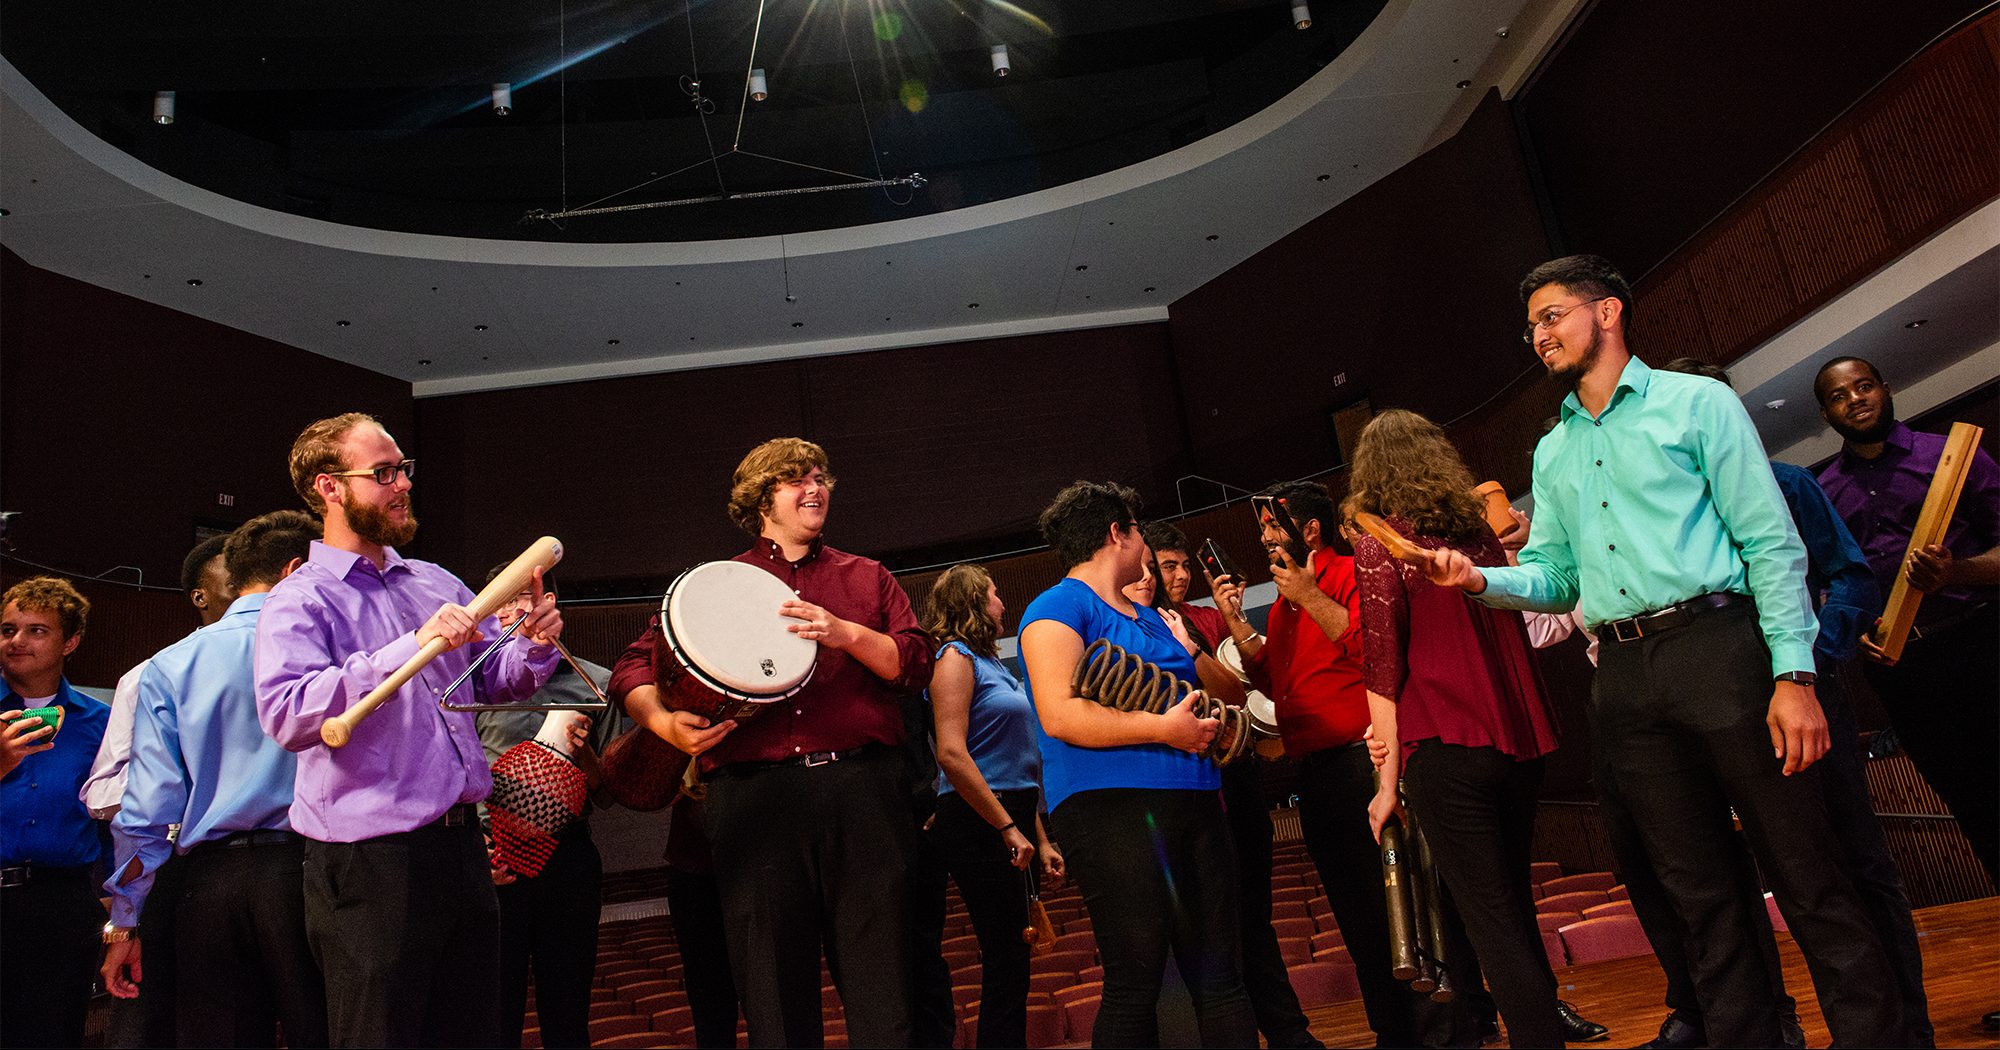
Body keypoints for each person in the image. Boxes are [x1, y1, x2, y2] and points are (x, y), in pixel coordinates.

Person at [1422, 255, 1906, 1047]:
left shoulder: (1697, 403)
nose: (1537, 335)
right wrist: (1479, 579)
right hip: (1623, 677)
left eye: (1551, 316)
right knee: (1699, 896)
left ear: (1607, 312)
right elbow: (1556, 576)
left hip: (1722, 649)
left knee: (1809, 876)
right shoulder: (1552, 451)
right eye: (1532, 325)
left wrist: (1794, 673)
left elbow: (1770, 543)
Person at [255, 412, 565, 1047]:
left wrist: (531, 646)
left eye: (404, 471)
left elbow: (486, 684)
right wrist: (406, 648)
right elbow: (288, 713)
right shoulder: (300, 599)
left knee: (472, 1031)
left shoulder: (435, 582)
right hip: (369, 863)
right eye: (383, 473)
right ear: (329, 487)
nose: (401, 486)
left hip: (457, 849)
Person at [614, 437, 934, 1048]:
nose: (816, 488)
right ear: (762, 499)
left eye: (821, 477)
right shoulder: (715, 584)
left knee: (885, 987)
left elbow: (916, 663)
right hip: (754, 798)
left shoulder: (867, 577)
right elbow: (632, 666)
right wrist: (661, 723)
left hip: (862, 790)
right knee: (773, 995)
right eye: (796, 480)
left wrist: (845, 633)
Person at [1347, 410, 1565, 1048]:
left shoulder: (1381, 539)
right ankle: (1545, 1028)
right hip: (1518, 736)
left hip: (1444, 740)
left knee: (1489, 915)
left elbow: (1383, 665)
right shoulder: (1479, 532)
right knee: (1514, 904)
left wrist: (1385, 785)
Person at [1016, 481, 1255, 1048]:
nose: (1143, 542)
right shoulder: (1054, 606)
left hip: (1195, 795)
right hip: (1110, 807)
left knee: (1222, 977)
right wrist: (1163, 728)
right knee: (1136, 978)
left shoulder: (1148, 617)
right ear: (1117, 534)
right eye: (1137, 530)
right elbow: (1058, 714)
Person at [1211, 481, 1446, 1047]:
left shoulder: (1345, 572)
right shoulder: (1288, 599)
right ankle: (1394, 1033)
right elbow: (1279, 684)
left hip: (1362, 763)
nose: (1264, 538)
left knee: (1395, 910)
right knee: (1359, 918)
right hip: (1315, 775)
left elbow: (1376, 651)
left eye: (1272, 526)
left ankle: (1437, 1035)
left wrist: (1312, 595)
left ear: (1309, 529)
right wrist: (1239, 624)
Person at [103, 509, 329, 1048]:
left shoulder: (167, 664)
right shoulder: (334, 652)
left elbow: (146, 810)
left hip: (205, 884)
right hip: (307, 870)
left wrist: (127, 918)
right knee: (325, 1033)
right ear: (298, 571)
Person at [1813, 354, 1999, 886]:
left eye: (1864, 386)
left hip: (1981, 639)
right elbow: (1828, 588)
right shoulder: (1823, 492)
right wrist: (1852, 635)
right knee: (1965, 795)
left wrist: (1955, 571)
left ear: (1886, 388)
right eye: (1839, 396)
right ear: (1826, 414)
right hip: (1901, 665)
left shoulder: (1952, 457)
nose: (1856, 399)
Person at [1142, 521, 1321, 1050]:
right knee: (1204, 932)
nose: (1177, 574)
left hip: (1235, 776)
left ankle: (1290, 1035)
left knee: (1254, 917)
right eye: (1166, 565)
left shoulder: (1205, 618)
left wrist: (1225, 624)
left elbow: (1242, 691)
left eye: (1183, 565)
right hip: (1180, 786)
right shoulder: (1130, 622)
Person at [83, 533, 237, 1049]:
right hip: (173, 865)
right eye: (232, 574)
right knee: (154, 1024)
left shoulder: (292, 670)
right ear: (201, 595)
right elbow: (101, 791)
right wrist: (181, 774)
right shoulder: (152, 673)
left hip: (279, 865)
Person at [920, 564, 1064, 1049]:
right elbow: (951, 754)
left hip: (1015, 813)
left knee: (1016, 956)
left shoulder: (995, 663)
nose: (1003, 603)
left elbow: (1024, 761)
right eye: (996, 594)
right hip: (982, 818)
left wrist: (1039, 836)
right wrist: (1006, 827)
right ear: (973, 602)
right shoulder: (954, 658)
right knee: (1004, 954)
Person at [475, 568, 618, 1050]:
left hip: (568, 860)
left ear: (545, 603)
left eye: (518, 601)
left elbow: (606, 792)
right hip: (492, 862)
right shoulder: (471, 686)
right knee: (494, 1016)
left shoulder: (596, 683)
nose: (508, 614)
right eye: (497, 606)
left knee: (568, 1014)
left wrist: (585, 755)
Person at [0, 576, 106, 1049]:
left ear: (72, 642)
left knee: (53, 1035)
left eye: (36, 630)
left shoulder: (101, 723)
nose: (17, 641)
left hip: (60, 903)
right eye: (7, 629)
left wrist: (119, 906)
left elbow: (115, 819)